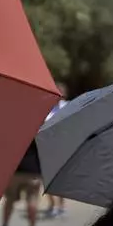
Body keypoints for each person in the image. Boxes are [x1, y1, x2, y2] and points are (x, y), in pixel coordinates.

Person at [0, 140, 43, 226]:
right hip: (34, 171)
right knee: (32, 199)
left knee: (10, 199)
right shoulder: (40, 135)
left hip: (16, 170)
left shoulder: (15, 134)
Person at [44, 86, 69, 218]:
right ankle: (53, 205)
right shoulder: (46, 109)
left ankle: (62, 206)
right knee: (48, 179)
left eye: (61, 93)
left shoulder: (68, 106)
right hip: (48, 148)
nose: (59, 96)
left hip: (63, 147)